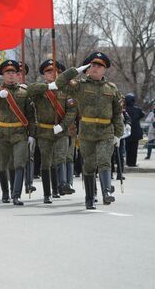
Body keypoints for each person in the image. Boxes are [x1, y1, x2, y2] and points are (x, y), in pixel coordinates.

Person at [54, 52, 124, 210]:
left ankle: (106, 193)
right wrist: (76, 70)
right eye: (93, 65)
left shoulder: (111, 88)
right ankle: (89, 198)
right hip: (87, 132)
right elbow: (60, 83)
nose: (95, 68)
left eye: (99, 66)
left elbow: (117, 113)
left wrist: (118, 134)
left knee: (104, 160)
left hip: (106, 131)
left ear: (104, 70)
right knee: (89, 166)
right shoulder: (80, 86)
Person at [28, 60, 77, 204]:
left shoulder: (66, 89)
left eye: (55, 71)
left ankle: (62, 185)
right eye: (49, 72)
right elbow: (29, 91)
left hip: (61, 131)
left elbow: (72, 110)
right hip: (44, 131)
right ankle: (48, 193)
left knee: (60, 157)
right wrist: (48, 86)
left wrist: (63, 125)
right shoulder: (40, 89)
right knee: (46, 163)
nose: (53, 74)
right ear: (44, 74)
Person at [0, 60, 35, 205]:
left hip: (19, 133)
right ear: (3, 75)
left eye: (13, 73)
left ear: (17, 75)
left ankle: (16, 195)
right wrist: (0, 94)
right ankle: (5, 193)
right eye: (7, 73)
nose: (10, 75)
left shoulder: (24, 92)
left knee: (19, 163)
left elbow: (30, 115)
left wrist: (32, 134)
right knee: (3, 165)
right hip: (3, 132)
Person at [124, 94, 145, 167]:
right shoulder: (137, 109)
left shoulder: (124, 109)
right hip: (136, 132)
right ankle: (132, 163)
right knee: (134, 149)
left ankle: (128, 162)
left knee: (127, 148)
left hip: (127, 131)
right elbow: (142, 115)